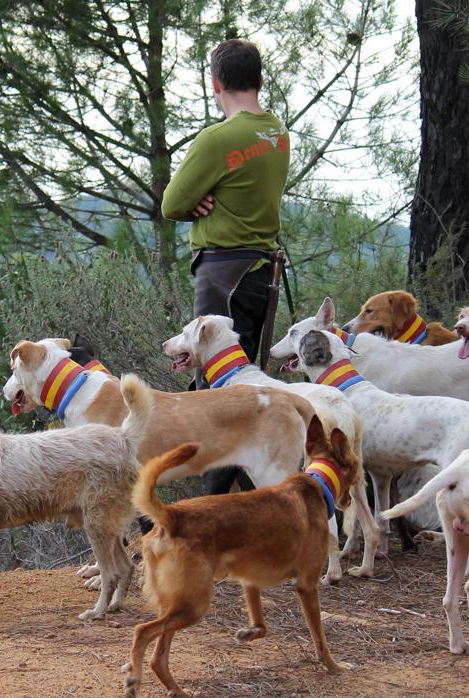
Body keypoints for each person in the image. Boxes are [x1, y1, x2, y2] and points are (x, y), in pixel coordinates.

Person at [161, 39, 291, 495]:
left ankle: (210, 515)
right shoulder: (277, 134)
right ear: (259, 80)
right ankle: (247, 513)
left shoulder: (218, 138)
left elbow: (172, 203)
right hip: (260, 275)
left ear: (215, 83)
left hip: (222, 274)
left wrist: (198, 202)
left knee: (217, 398)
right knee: (244, 392)